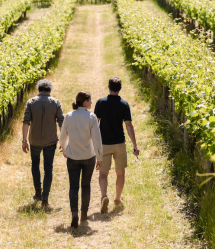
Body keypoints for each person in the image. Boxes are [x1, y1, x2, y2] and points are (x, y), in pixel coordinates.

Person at [94, 76, 139, 214]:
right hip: (119, 143)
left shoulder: (100, 103)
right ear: (120, 88)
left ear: (108, 87)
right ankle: (117, 199)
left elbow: (95, 123)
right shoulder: (124, 104)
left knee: (103, 173)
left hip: (104, 144)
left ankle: (103, 196)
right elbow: (129, 126)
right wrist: (135, 145)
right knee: (120, 173)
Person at [59, 91, 103, 228]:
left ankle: (74, 213)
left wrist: (64, 148)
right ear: (85, 102)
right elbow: (97, 139)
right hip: (89, 156)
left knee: (73, 186)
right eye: (90, 100)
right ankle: (84, 213)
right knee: (85, 185)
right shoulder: (91, 117)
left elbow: (62, 136)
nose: (91, 103)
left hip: (73, 156)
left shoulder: (69, 116)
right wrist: (99, 156)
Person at [22, 79, 64, 208]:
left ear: (38, 89)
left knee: (35, 164)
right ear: (50, 90)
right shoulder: (56, 102)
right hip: (50, 140)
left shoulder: (31, 102)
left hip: (34, 140)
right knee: (48, 168)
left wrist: (24, 140)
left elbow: (26, 122)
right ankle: (45, 198)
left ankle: (38, 192)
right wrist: (63, 140)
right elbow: (61, 122)